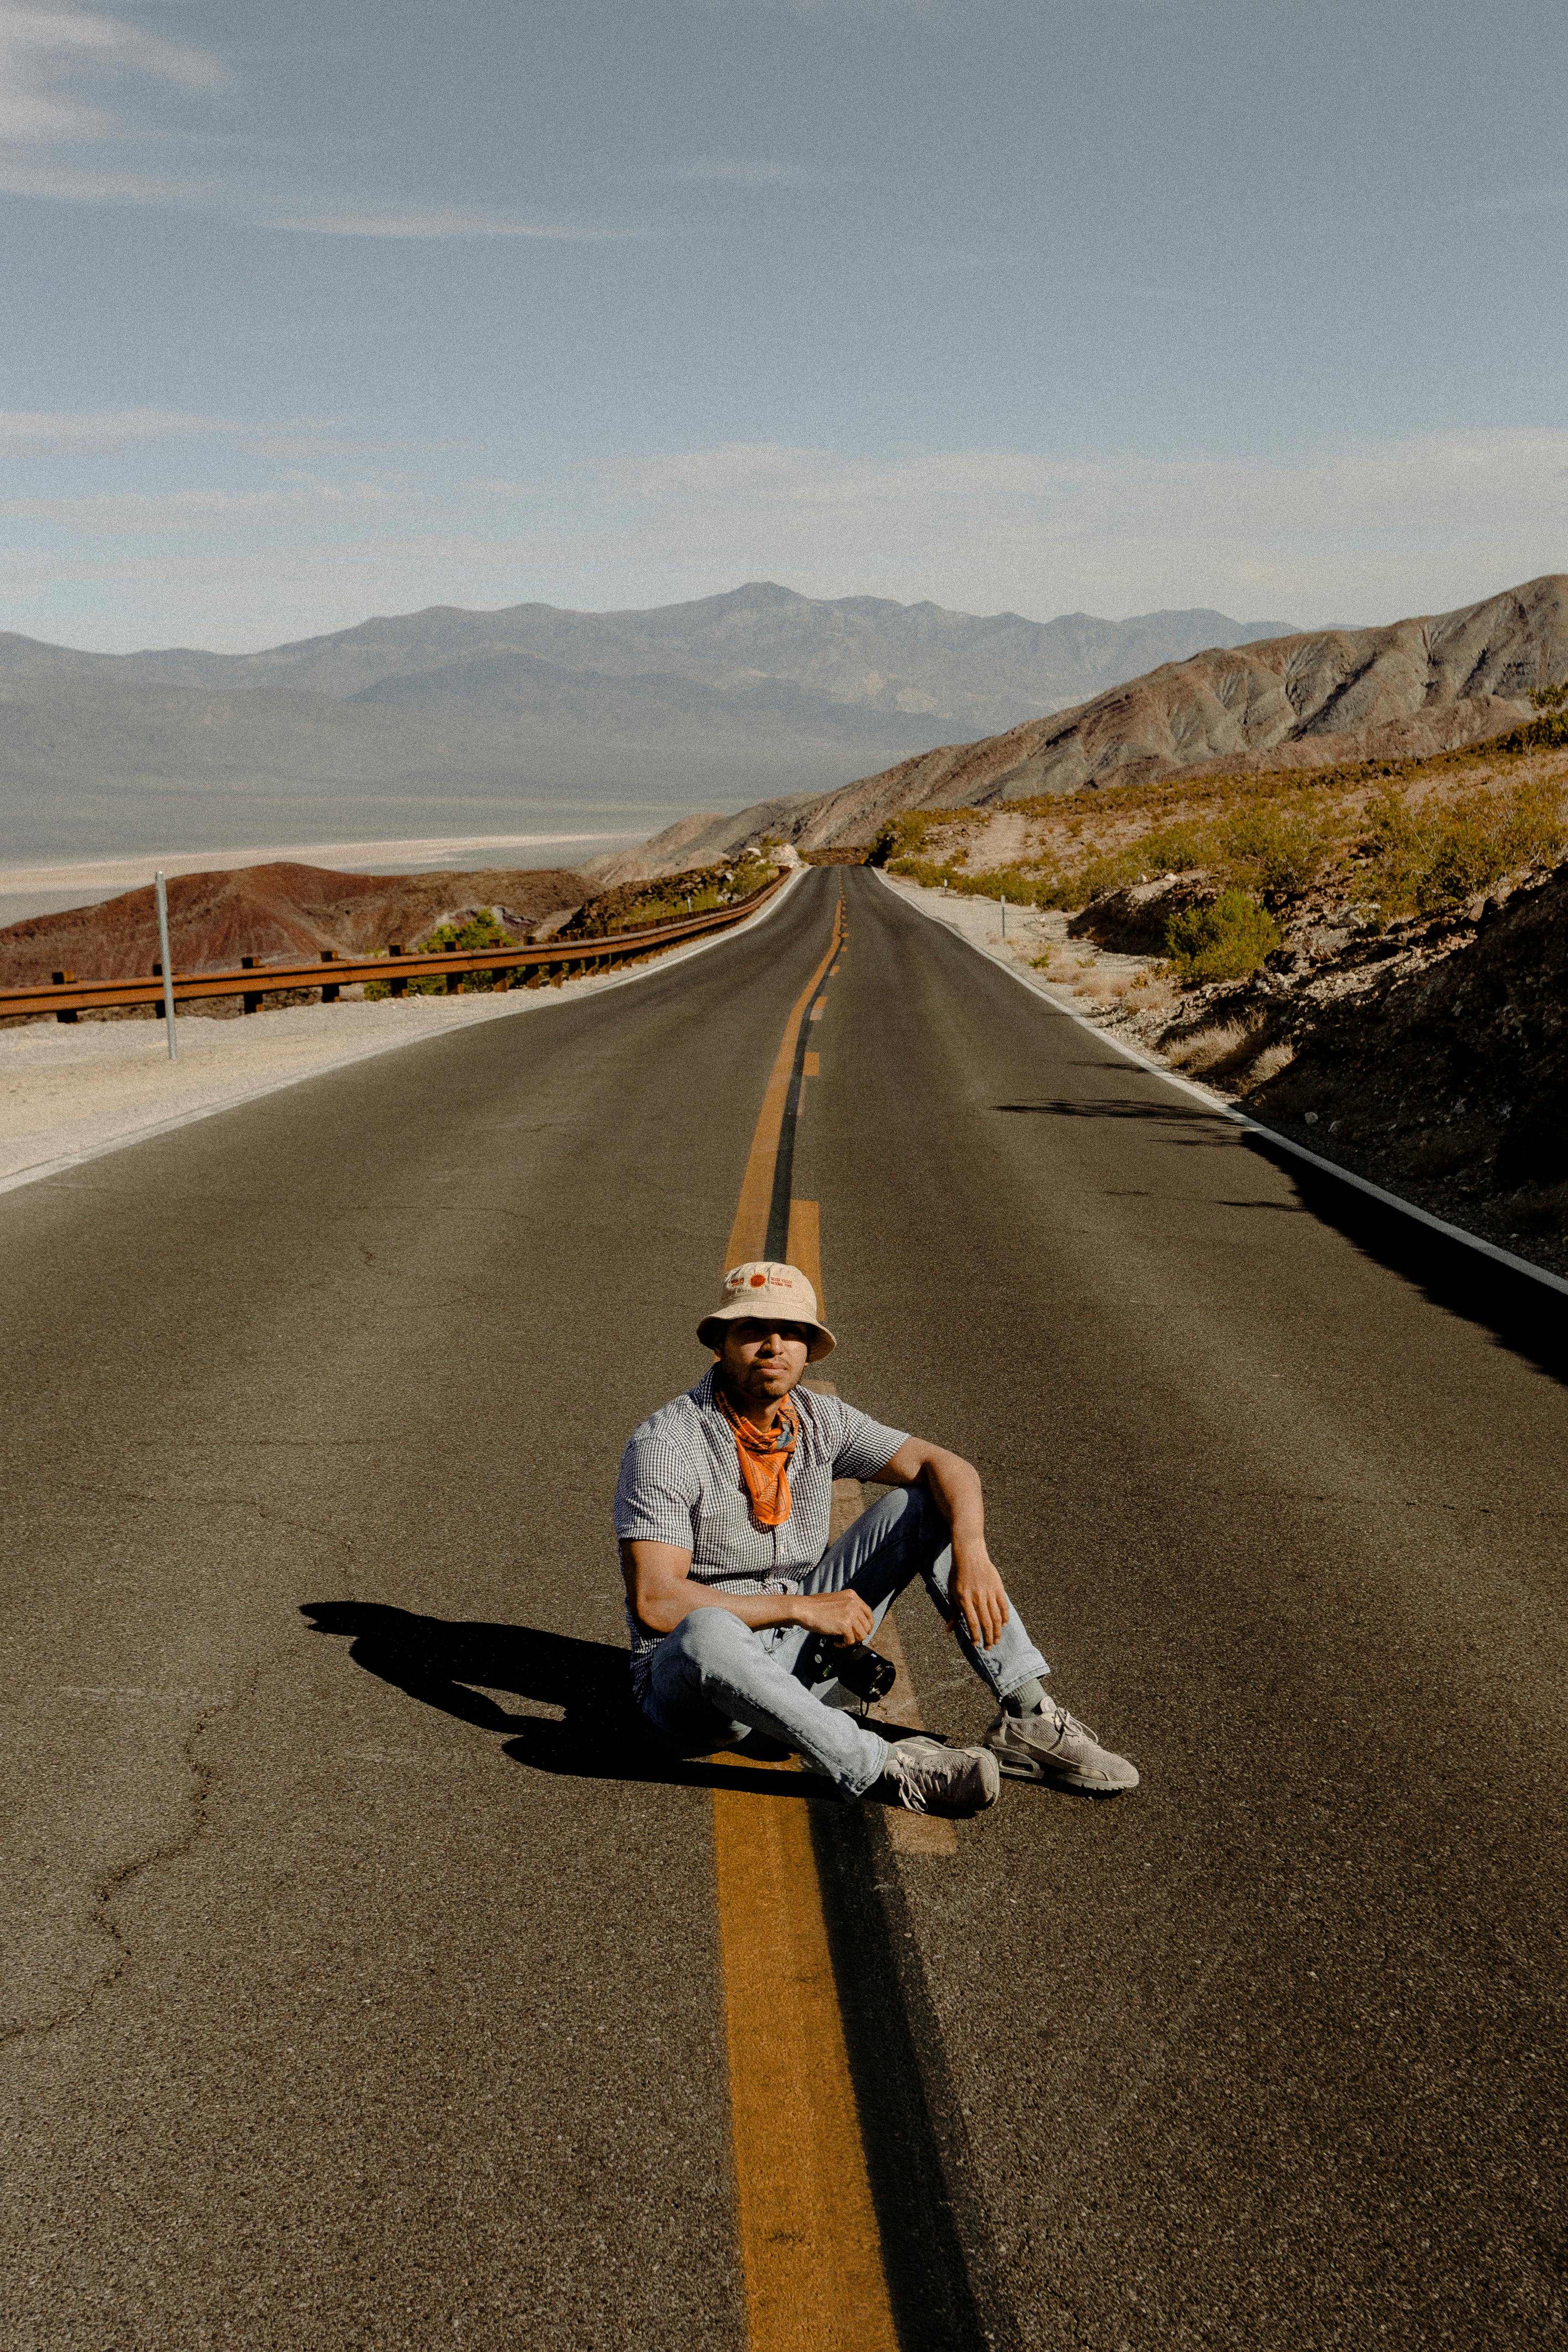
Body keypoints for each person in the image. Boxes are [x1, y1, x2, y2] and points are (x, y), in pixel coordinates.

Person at [615, 1260, 1138, 1817]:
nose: (774, 1345)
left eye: (792, 1332)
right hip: (696, 1691)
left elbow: (946, 1464)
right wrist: (803, 1607)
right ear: (720, 1341)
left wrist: (973, 1551)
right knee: (710, 1629)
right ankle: (881, 1766)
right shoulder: (668, 1444)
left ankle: (1028, 1717)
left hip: (793, 1652)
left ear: (809, 1349)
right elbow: (657, 1601)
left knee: (925, 1504)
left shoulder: (819, 1420)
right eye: (753, 1329)